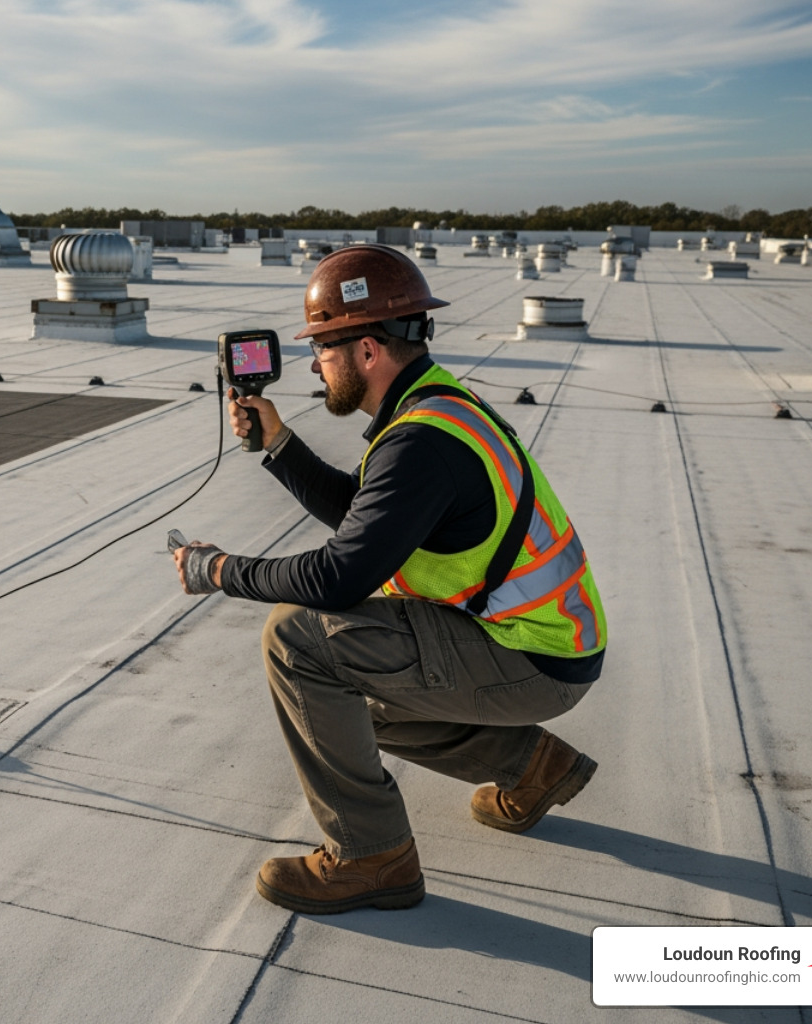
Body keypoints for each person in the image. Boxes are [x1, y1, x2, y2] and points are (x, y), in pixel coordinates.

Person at [172, 245, 607, 915]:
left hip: (531, 658)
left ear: (367, 350)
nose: (316, 364)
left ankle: (371, 857)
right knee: (345, 710)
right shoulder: (433, 408)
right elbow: (366, 518)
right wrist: (280, 445)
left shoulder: (420, 443)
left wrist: (221, 570)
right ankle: (531, 767)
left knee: (298, 641)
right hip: (540, 644)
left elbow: (341, 574)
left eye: (322, 347)